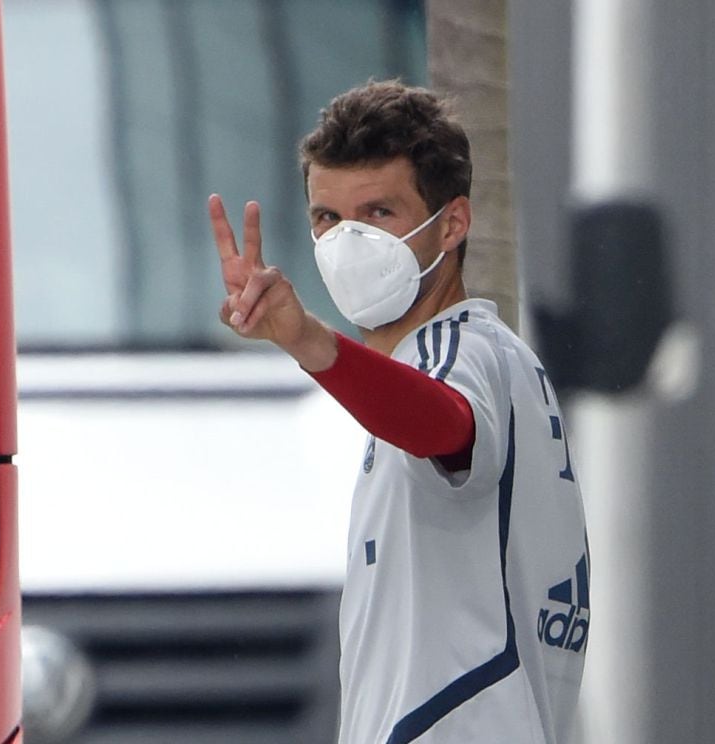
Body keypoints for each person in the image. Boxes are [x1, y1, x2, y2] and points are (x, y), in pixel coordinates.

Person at [210, 80, 588, 744]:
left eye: (378, 212)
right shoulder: (492, 357)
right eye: (328, 218)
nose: (349, 240)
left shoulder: (456, 350)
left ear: (453, 222)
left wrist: (307, 341)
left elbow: (445, 426)